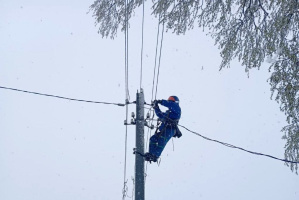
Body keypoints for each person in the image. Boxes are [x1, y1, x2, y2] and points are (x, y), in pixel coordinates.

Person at [144, 96, 182, 162]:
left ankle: (155, 155)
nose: (169, 101)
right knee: (153, 139)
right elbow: (160, 115)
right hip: (164, 129)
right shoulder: (168, 113)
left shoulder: (177, 110)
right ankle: (151, 153)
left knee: (161, 141)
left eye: (171, 100)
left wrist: (160, 101)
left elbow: (171, 104)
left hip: (170, 129)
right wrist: (156, 107)